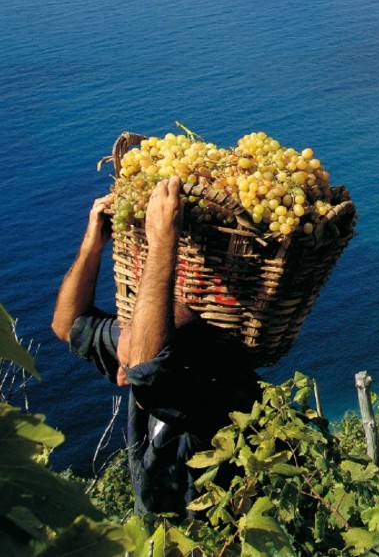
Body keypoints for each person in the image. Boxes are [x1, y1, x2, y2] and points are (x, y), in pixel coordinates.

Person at [52, 176, 260, 517]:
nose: (122, 375)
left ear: (179, 362)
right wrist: (93, 245)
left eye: (129, 362)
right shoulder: (146, 351)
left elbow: (144, 364)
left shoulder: (214, 393)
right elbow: (66, 325)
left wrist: (163, 242)